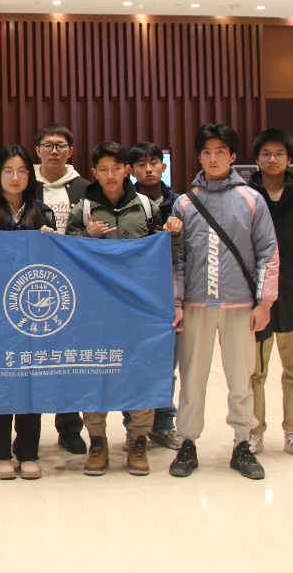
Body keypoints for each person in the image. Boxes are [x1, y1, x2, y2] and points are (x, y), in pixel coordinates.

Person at [169, 124, 279, 481]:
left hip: (240, 306)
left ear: (232, 156)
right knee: (192, 378)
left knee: (241, 378)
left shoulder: (252, 199)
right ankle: (187, 442)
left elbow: (268, 252)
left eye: (220, 151)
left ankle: (243, 443)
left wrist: (264, 302)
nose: (213, 158)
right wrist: (176, 302)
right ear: (199, 157)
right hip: (196, 306)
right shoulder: (184, 203)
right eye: (206, 152)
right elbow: (177, 258)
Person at [66, 142, 183, 477]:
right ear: (94, 172)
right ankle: (97, 441)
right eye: (103, 169)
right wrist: (86, 235)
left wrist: (173, 236)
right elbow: (67, 254)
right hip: (94, 309)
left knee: (140, 370)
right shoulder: (82, 209)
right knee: (93, 371)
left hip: (138, 308)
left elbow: (165, 254)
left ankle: (138, 440)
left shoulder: (145, 207)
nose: (110, 175)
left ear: (126, 171)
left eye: (116, 168)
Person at [0, 144, 56, 480]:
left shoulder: (43, 213)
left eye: (21, 171)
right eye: (8, 171)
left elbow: (57, 265)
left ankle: (29, 451)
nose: (15, 177)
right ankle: (1, 452)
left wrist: (52, 242)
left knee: (32, 381)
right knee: (1, 381)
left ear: (30, 175)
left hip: (33, 314)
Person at [248, 128, 293, 462]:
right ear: (257, 159)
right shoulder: (247, 199)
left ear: (289, 158)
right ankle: (253, 432)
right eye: (266, 153)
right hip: (254, 298)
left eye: (279, 153)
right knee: (254, 372)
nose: (272, 159)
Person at [32, 123, 89, 455]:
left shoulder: (84, 188)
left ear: (71, 151)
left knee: (68, 360)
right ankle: (28, 431)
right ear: (37, 150)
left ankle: (70, 428)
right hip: (33, 283)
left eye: (61, 145)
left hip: (74, 285)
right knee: (33, 358)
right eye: (48, 145)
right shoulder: (25, 185)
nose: (54, 150)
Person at [126, 141, 181, 450]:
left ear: (163, 166)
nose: (148, 169)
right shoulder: (126, 203)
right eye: (141, 164)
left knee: (165, 365)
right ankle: (134, 429)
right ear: (131, 170)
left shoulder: (181, 203)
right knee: (132, 363)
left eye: (154, 162)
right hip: (134, 296)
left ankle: (164, 424)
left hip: (168, 294)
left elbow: (185, 252)